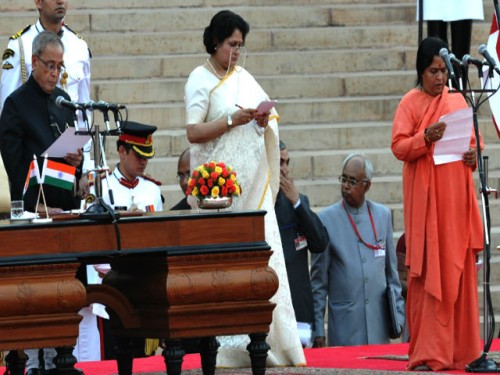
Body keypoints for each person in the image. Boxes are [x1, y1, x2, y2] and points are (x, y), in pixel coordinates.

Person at [184, 9, 305, 367]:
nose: (236, 52)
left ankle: (274, 344)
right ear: (216, 42)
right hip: (214, 195)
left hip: (251, 191)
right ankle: (223, 348)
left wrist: (260, 121)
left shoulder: (243, 77)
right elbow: (193, 132)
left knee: (262, 263)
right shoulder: (199, 79)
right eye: (231, 45)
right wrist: (230, 120)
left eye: (241, 46)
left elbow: (259, 127)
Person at [391, 36, 484, 371]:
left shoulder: (458, 100)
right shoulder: (410, 103)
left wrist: (473, 156)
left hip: (455, 204)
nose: (440, 77)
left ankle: (462, 351)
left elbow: (473, 147)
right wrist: (425, 138)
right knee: (429, 271)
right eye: (433, 71)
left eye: (444, 70)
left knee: (457, 271)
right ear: (421, 70)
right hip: (426, 206)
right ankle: (431, 352)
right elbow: (399, 147)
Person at [0, 31, 84, 375]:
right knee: (37, 295)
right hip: (33, 214)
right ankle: (35, 363)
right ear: (33, 63)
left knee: (66, 289)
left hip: (64, 210)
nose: (54, 73)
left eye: (59, 67)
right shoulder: (16, 105)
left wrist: (75, 161)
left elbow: (71, 154)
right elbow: (14, 163)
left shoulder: (64, 100)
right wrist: (49, 160)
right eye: (49, 65)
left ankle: (63, 356)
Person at [310, 153, 405, 347]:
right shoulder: (326, 219)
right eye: (343, 179)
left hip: (378, 325)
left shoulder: (383, 216)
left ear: (367, 185)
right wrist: (319, 328)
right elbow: (318, 283)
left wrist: (398, 315)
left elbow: (392, 275)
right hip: (345, 326)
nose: (346, 186)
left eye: (352, 181)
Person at [275, 140, 328, 348]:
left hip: (299, 307)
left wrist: (297, 202)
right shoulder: (260, 204)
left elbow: (320, 243)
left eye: (287, 162)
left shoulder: (298, 202)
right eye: (280, 162)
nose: (285, 169)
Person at [1, 0, 91, 110]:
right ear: (38, 2)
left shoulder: (79, 46)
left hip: (70, 126)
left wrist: (76, 128)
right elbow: (7, 105)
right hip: (33, 125)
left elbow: (84, 107)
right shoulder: (19, 46)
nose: (60, 1)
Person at [100, 121, 163, 213]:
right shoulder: (102, 188)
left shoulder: (153, 189)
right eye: (139, 156)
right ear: (122, 152)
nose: (143, 162)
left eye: (146, 157)